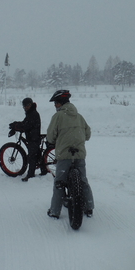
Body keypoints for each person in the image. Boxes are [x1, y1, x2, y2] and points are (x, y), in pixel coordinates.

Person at [46, 90, 94, 219]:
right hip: (79, 155)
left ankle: (55, 211)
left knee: (59, 182)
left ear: (60, 103)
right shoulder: (79, 116)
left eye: (55, 104)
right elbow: (88, 134)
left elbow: (50, 136)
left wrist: (56, 141)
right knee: (83, 181)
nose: (55, 106)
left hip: (64, 156)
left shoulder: (57, 117)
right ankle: (89, 207)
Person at [9, 97, 46, 181]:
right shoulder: (30, 113)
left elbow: (27, 125)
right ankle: (44, 171)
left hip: (33, 138)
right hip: (33, 137)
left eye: (27, 105)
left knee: (32, 156)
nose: (26, 107)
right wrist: (16, 124)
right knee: (38, 155)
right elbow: (25, 122)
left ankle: (30, 175)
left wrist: (16, 126)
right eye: (24, 106)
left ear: (31, 104)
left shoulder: (33, 114)